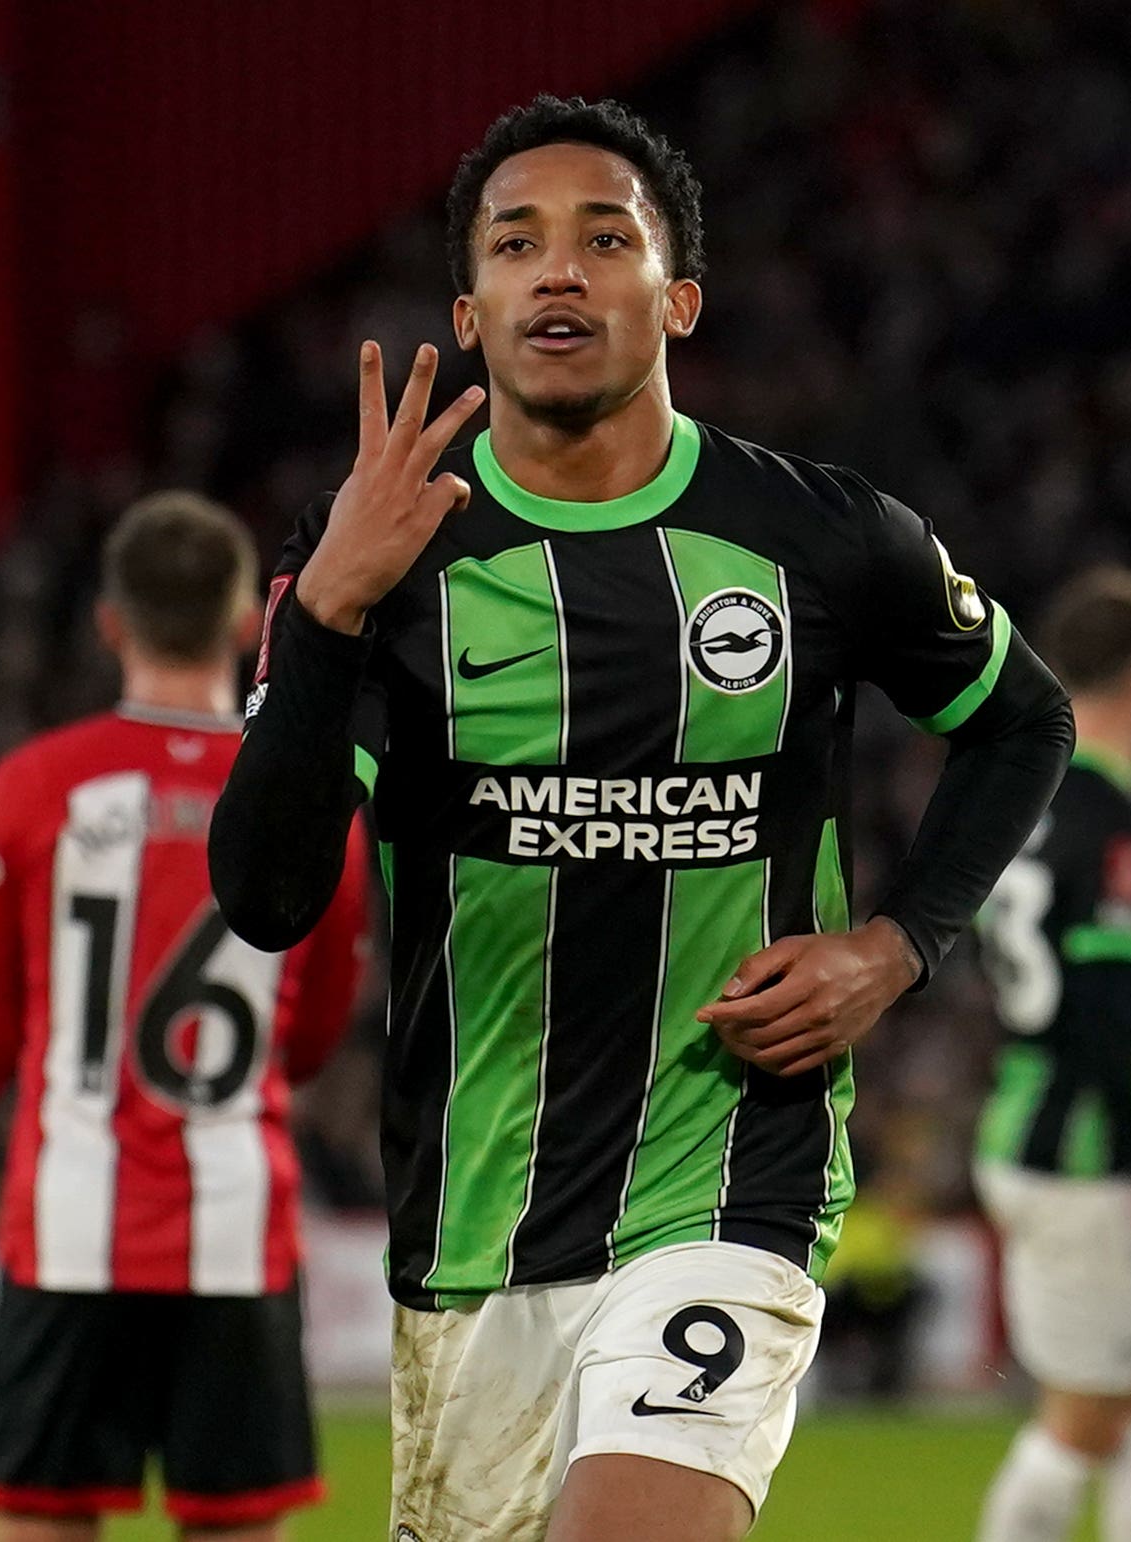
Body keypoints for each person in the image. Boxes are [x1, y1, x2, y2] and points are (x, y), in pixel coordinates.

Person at [210, 95, 1074, 1542]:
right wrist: (331, 619)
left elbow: (1021, 718)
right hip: (476, 1219)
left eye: (603, 239)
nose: (559, 269)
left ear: (674, 298)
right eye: (517, 243)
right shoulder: (379, 550)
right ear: (469, 311)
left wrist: (898, 945)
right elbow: (266, 894)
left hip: (730, 1172)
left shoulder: (818, 535)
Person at [0, 491, 370, 1542]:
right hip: (236, 1236)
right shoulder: (310, 799)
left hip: (69, 1234)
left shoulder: (35, 790)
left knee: (41, 1521)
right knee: (237, 1525)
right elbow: (318, 1033)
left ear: (109, 622)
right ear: (250, 622)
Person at [970, 568, 1131, 1542]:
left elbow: (1069, 974)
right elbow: (1098, 1012)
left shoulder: (1025, 796)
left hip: (1063, 1128)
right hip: (1085, 1155)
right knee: (1086, 1419)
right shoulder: (1117, 822)